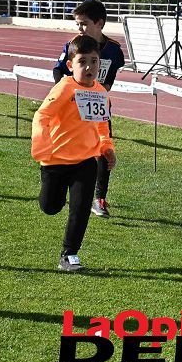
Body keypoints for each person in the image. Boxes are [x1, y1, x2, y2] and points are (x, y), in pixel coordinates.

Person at [35, 35, 116, 272]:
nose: (89, 67)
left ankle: (69, 253)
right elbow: (42, 116)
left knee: (80, 209)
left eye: (94, 61)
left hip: (86, 161)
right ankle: (51, 192)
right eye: (83, 61)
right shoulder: (64, 88)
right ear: (71, 65)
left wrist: (106, 148)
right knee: (50, 206)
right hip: (56, 160)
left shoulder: (101, 91)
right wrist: (43, 150)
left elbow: (102, 124)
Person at [52, 0, 126, 218]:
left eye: (83, 24)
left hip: (97, 105)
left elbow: (111, 75)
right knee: (69, 146)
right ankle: (62, 186)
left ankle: (100, 199)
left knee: (104, 147)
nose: (79, 29)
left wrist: (102, 92)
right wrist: (66, 92)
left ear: (99, 23)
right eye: (78, 24)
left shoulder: (113, 50)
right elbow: (58, 71)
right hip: (71, 105)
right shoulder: (73, 46)